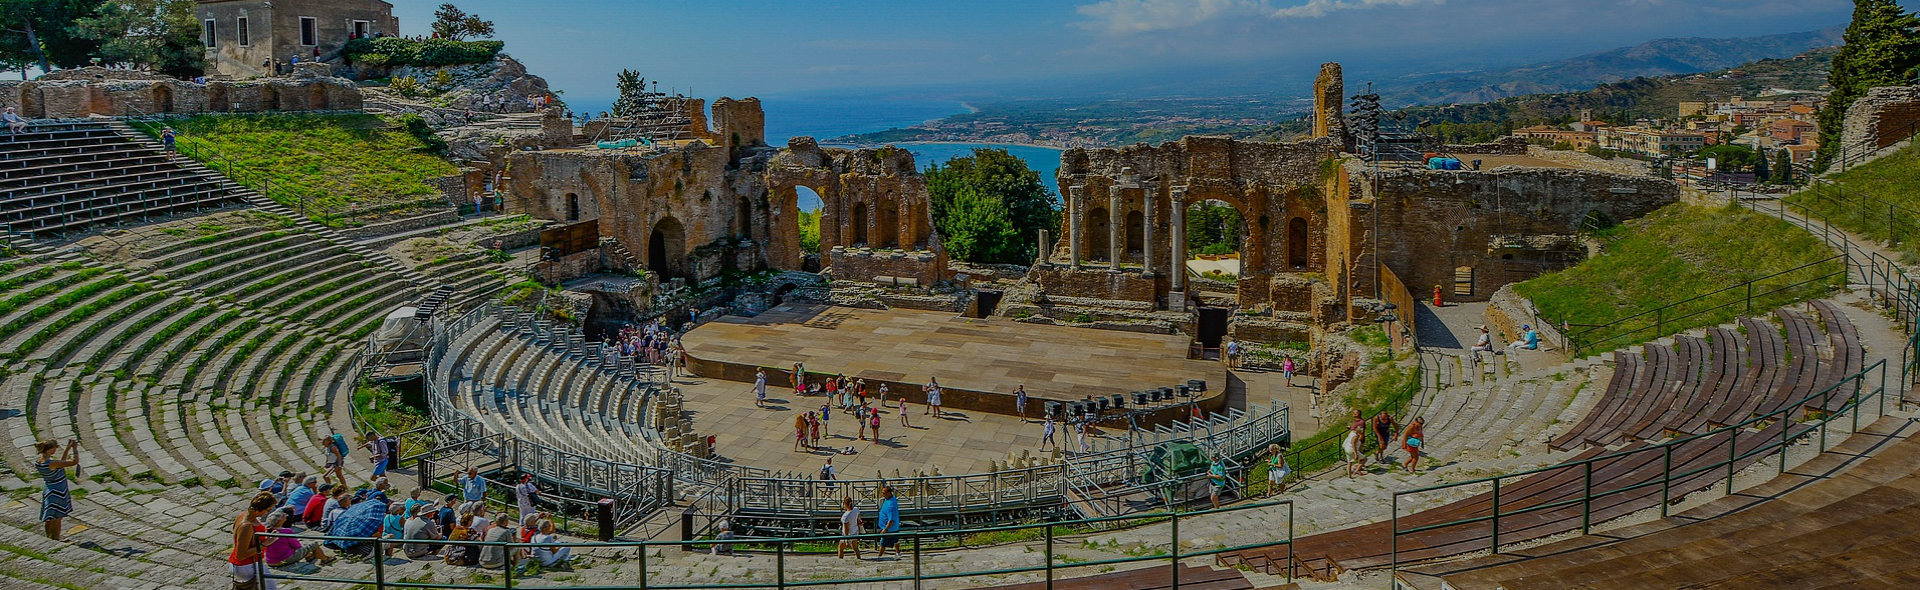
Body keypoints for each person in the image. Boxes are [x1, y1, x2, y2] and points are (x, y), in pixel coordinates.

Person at [230, 492, 278, 590]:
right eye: (267, 510)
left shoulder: (243, 515)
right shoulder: (246, 526)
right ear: (258, 510)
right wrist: (265, 544)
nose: (268, 512)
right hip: (247, 565)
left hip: (248, 564)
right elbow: (241, 555)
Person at [33, 440, 77, 540]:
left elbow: (61, 463)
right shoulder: (51, 463)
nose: (56, 449)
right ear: (49, 450)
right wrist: (75, 449)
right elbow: (74, 462)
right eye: (54, 447)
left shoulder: (39, 461)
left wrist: (67, 449)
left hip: (49, 490)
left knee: (49, 518)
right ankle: (56, 539)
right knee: (57, 518)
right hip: (58, 492)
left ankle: (49, 537)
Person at [263, 511, 333, 568]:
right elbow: (297, 546)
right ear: (281, 520)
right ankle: (325, 559)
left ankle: (310, 556)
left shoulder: (268, 531)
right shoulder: (286, 531)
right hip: (283, 559)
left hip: (270, 560)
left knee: (303, 548)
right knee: (314, 545)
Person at [876, 486, 901, 558]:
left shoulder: (891, 505)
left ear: (889, 493)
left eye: (884, 493)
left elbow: (891, 520)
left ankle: (879, 556)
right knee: (896, 540)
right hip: (893, 528)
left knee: (883, 544)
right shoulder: (891, 499)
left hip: (889, 529)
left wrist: (886, 529)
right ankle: (898, 552)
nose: (883, 494)